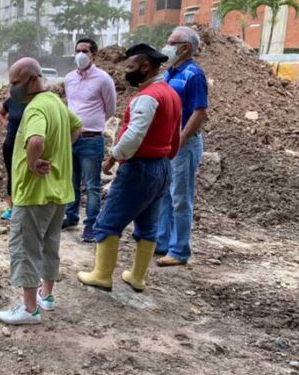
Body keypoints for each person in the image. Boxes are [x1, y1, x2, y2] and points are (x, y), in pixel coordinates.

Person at [77, 44, 181, 293]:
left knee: (109, 220)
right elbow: (176, 134)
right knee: (148, 224)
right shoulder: (171, 93)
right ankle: (137, 277)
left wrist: (113, 157)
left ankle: (102, 275)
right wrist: (167, 158)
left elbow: (134, 135)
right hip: (162, 166)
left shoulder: (148, 97)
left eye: (131, 65)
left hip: (139, 168)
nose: (127, 70)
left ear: (145, 66)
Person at [0, 57, 82, 325]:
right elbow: (77, 126)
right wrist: (58, 153)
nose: (12, 89)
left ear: (33, 79)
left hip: (34, 193)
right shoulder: (55, 102)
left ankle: (29, 308)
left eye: (16, 83)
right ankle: (47, 296)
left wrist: (33, 161)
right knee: (49, 244)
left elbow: (35, 139)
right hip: (58, 191)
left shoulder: (35, 109)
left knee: (24, 246)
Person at [155, 26, 209, 267]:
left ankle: (179, 250)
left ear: (185, 48)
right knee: (165, 194)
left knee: (180, 197)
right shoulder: (170, 72)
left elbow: (199, 112)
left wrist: (180, 140)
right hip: (167, 144)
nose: (166, 47)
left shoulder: (193, 75)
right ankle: (162, 242)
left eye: (171, 42)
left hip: (183, 145)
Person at [62, 38, 117, 242]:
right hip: (70, 138)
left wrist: (92, 122)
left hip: (91, 139)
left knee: (92, 185)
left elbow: (110, 108)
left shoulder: (103, 79)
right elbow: (70, 105)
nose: (81, 54)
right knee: (71, 181)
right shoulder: (69, 78)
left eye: (85, 51)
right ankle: (71, 216)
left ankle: (91, 225)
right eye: (78, 50)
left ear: (94, 54)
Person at [0, 96, 27, 220]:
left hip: (27, 145)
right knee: (12, 175)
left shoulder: (35, 101)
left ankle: (26, 207)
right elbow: (0, 112)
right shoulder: (12, 100)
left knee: (26, 175)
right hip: (10, 143)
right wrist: (6, 124)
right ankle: (12, 208)